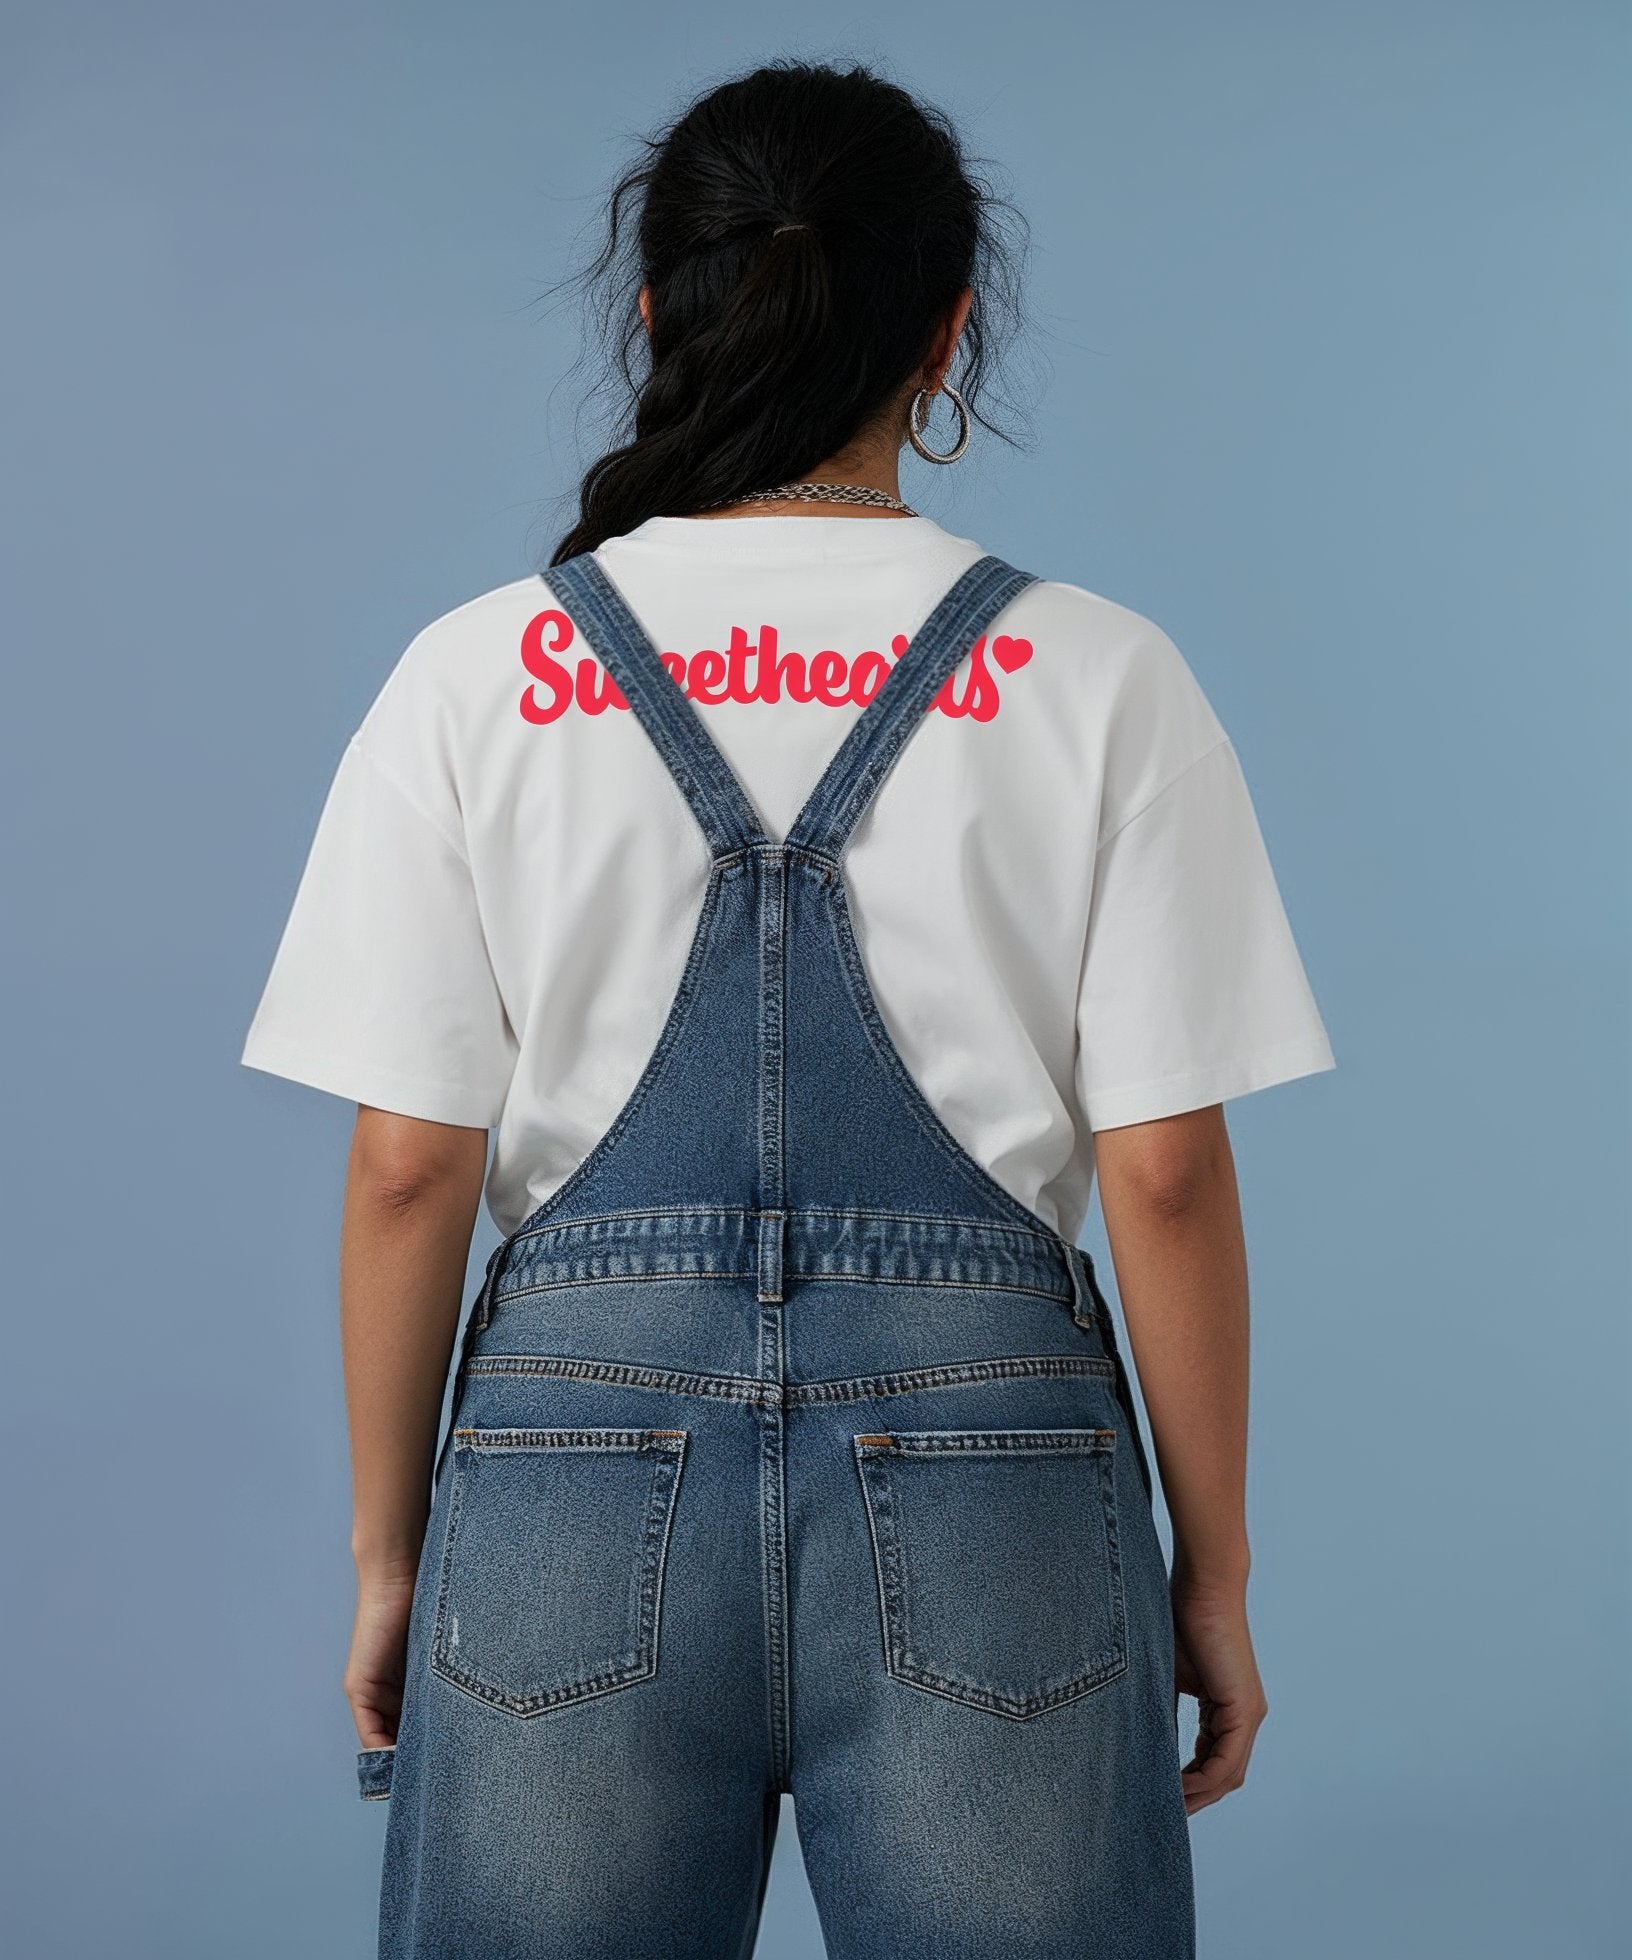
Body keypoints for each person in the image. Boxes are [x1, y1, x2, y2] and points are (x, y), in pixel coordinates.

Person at [241, 57, 1336, 1960]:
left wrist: (392, 1556)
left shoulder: (477, 676)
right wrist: (1211, 1569)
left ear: (656, 308)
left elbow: (412, 1168)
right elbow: (1161, 1173)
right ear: (950, 330)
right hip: (993, 1474)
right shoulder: (1098, 676)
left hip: (566, 1485)